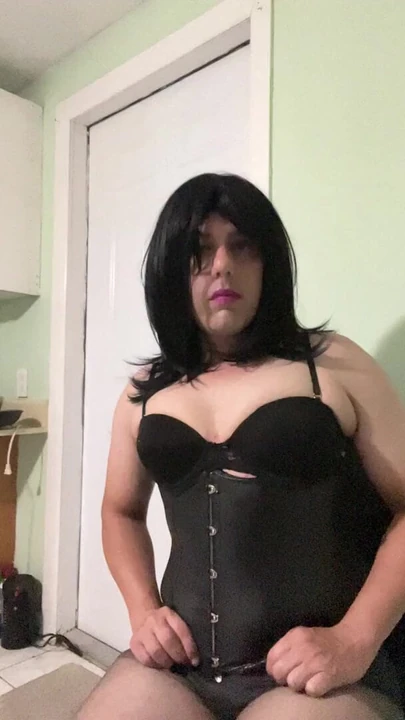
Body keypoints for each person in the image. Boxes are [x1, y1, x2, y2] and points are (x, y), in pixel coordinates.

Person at [77, 173, 405, 720]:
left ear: (269, 262)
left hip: (318, 675)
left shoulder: (331, 364)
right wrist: (143, 611)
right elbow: (120, 511)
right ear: (170, 270)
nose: (222, 265)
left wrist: (354, 638)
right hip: (183, 670)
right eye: (199, 251)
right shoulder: (144, 391)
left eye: (242, 246)